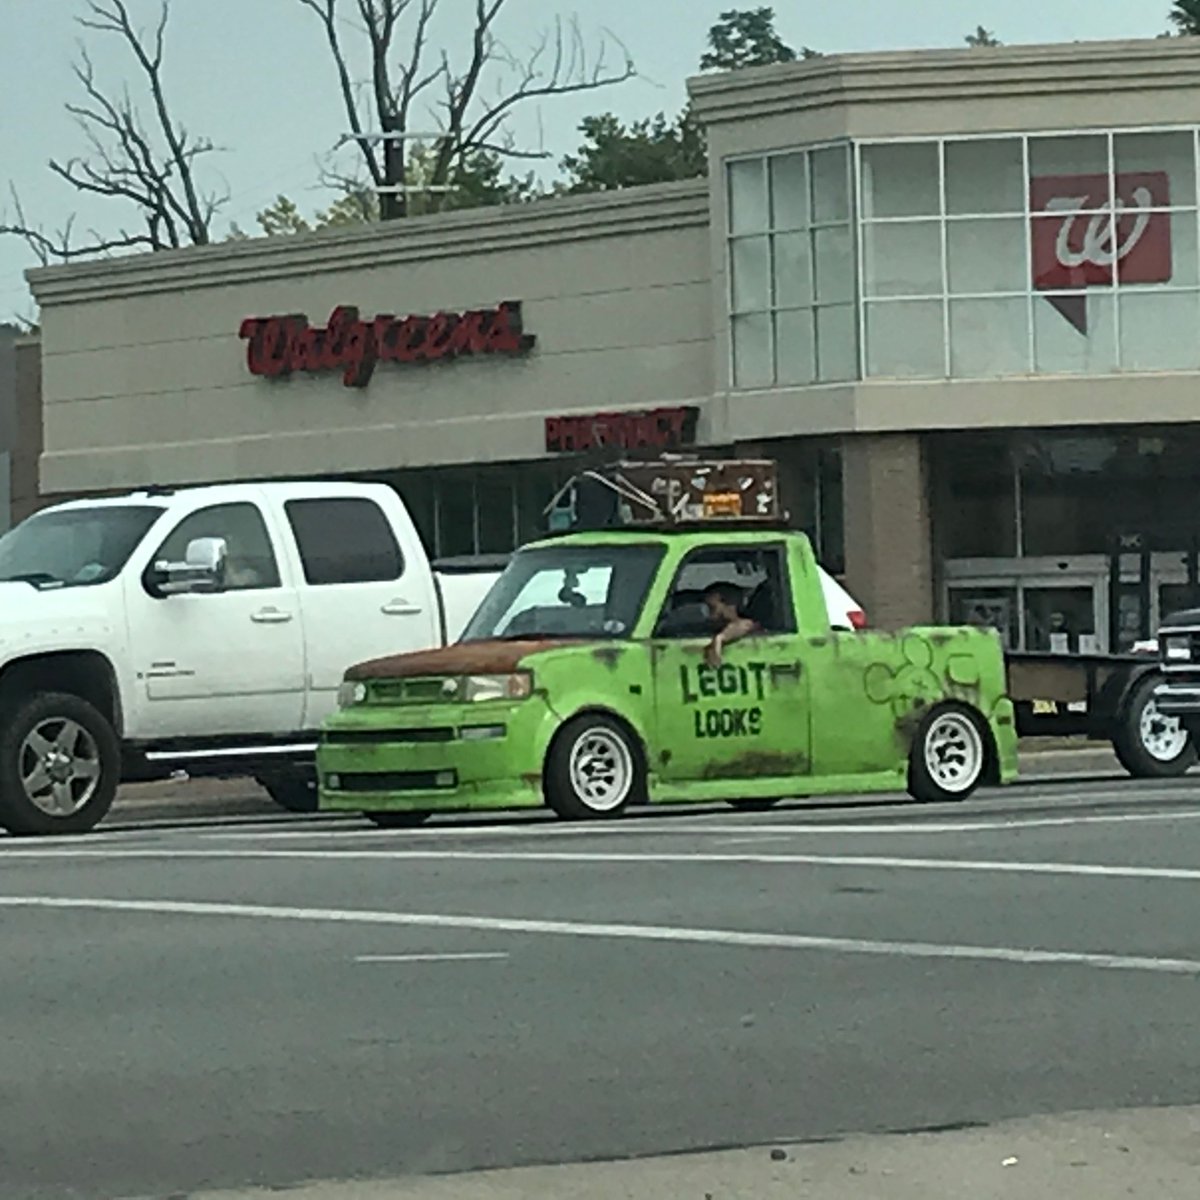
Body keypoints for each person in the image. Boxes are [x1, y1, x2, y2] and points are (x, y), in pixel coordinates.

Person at [702, 582, 760, 667]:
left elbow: (743, 625)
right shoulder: (713, 626)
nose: (710, 616)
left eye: (712, 608)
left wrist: (719, 640)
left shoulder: (747, 624)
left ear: (730, 606)